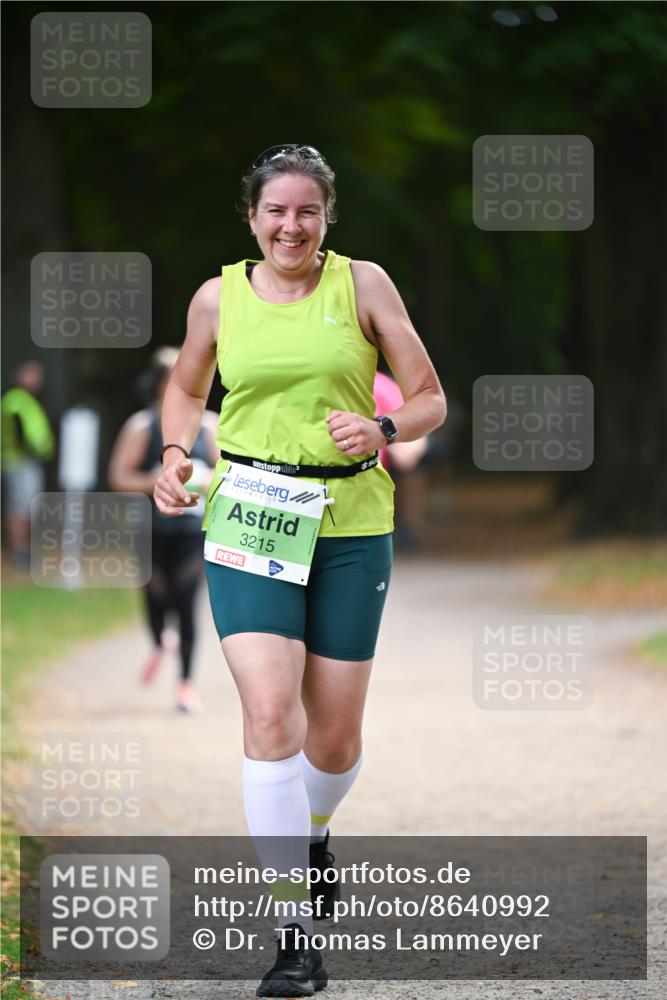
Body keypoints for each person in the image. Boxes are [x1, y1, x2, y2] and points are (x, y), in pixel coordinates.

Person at [153, 144, 446, 996]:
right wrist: (176, 451)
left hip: (351, 522)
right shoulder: (218, 297)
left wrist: (386, 431)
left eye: (306, 211)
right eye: (275, 211)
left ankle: (312, 832)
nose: (290, 225)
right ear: (252, 217)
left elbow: (428, 394)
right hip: (249, 515)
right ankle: (293, 933)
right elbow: (184, 384)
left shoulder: (364, 286)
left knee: (334, 737)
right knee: (270, 713)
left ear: (325, 219)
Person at [108, 348, 218, 713]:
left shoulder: (211, 425)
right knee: (155, 601)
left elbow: (229, 476)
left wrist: (205, 481)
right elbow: (118, 477)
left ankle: (186, 685)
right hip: (150, 529)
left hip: (192, 530)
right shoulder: (142, 425)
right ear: (157, 384)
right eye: (171, 375)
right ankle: (159, 642)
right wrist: (153, 480)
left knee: (187, 603)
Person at [1, 361, 55, 568]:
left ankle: (24, 551)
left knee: (28, 507)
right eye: (31, 375)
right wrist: (32, 448)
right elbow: (18, 430)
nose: (36, 380)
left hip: (29, 462)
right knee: (19, 508)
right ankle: (20, 552)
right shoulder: (16, 400)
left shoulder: (28, 400)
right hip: (20, 462)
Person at [373, 370, 429, 549]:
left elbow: (413, 435)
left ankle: (409, 528)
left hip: (375, 468)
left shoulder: (381, 386)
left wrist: (404, 449)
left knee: (412, 475)